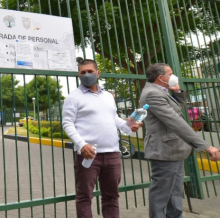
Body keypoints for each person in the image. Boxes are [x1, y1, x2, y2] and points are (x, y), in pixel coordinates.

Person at [62, 59, 141, 218]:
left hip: (112, 154)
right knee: (84, 196)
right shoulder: (73, 97)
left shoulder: (108, 96)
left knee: (111, 196)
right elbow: (67, 123)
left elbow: (114, 118)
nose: (86, 75)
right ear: (78, 75)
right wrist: (82, 144)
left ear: (98, 73)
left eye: (90, 71)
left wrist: (128, 126)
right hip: (87, 155)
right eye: (83, 72)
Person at [140, 63, 220, 218]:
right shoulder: (152, 93)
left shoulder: (160, 91)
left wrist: (177, 93)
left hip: (173, 149)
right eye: (170, 73)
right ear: (161, 78)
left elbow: (176, 111)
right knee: (161, 193)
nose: (174, 76)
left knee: (175, 192)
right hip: (164, 151)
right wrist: (205, 146)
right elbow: (175, 122)